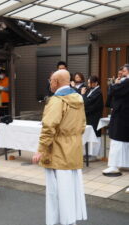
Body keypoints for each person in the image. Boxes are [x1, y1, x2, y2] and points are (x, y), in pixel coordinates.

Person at [33, 69, 87, 225]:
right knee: (71, 189)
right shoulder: (78, 98)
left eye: (50, 81)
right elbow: (82, 125)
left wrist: (41, 150)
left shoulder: (56, 101)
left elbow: (48, 127)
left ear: (55, 82)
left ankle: (59, 221)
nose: (50, 83)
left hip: (57, 151)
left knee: (56, 191)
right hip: (74, 149)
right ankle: (70, 220)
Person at [102, 64, 129, 178]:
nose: (121, 73)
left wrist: (114, 84)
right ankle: (124, 163)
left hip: (122, 115)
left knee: (117, 141)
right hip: (123, 114)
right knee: (123, 142)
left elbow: (114, 90)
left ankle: (114, 165)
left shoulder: (126, 82)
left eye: (123, 71)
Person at [81, 76, 103, 158]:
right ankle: (88, 153)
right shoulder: (91, 90)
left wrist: (83, 94)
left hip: (94, 117)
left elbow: (88, 103)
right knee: (88, 134)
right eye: (88, 82)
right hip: (89, 116)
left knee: (94, 134)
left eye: (90, 83)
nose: (89, 84)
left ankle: (94, 154)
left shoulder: (98, 92)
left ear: (96, 83)